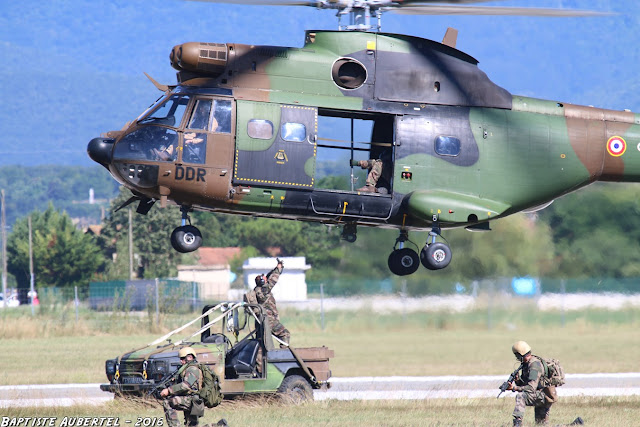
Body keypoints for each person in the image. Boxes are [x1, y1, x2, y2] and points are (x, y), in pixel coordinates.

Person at [506, 341, 558, 426]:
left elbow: (530, 388)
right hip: (540, 394)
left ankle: (517, 423)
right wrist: (518, 380)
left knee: (521, 396)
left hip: (544, 396)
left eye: (517, 355)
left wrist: (514, 388)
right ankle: (574, 424)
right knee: (541, 425)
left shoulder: (534, 365)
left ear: (521, 354)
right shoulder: (526, 364)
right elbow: (525, 385)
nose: (517, 358)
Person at [160, 347, 205, 427]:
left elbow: (185, 386)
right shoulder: (186, 369)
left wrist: (169, 390)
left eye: (183, 358)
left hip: (193, 400)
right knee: (191, 425)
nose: (181, 361)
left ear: (190, 357)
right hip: (191, 399)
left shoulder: (193, 369)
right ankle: (220, 425)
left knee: (168, 402)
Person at [253, 258, 290, 347]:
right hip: (269, 321)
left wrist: (276, 267)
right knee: (285, 334)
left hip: (261, 321)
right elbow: (273, 278)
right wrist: (279, 268)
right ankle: (283, 355)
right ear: (263, 282)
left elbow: (269, 276)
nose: (266, 278)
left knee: (261, 342)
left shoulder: (258, 290)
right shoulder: (264, 290)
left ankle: (259, 359)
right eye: (264, 279)